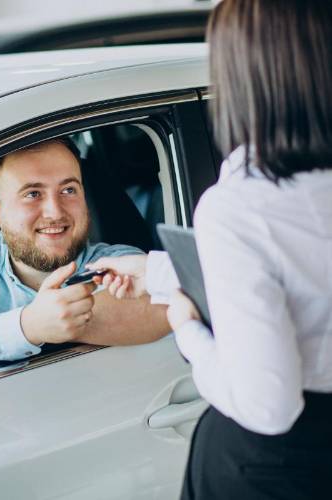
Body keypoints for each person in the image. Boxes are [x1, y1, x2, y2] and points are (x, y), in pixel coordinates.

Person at [88, 0, 332, 498]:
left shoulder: (242, 206)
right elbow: (310, 274)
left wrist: (187, 328)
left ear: (243, 75)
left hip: (279, 469)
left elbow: (269, 406)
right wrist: (157, 272)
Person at [0, 138, 170, 371]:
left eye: (68, 190)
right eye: (32, 194)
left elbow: (160, 310)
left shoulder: (118, 264)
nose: (54, 212)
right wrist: (28, 326)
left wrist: (61, 321)